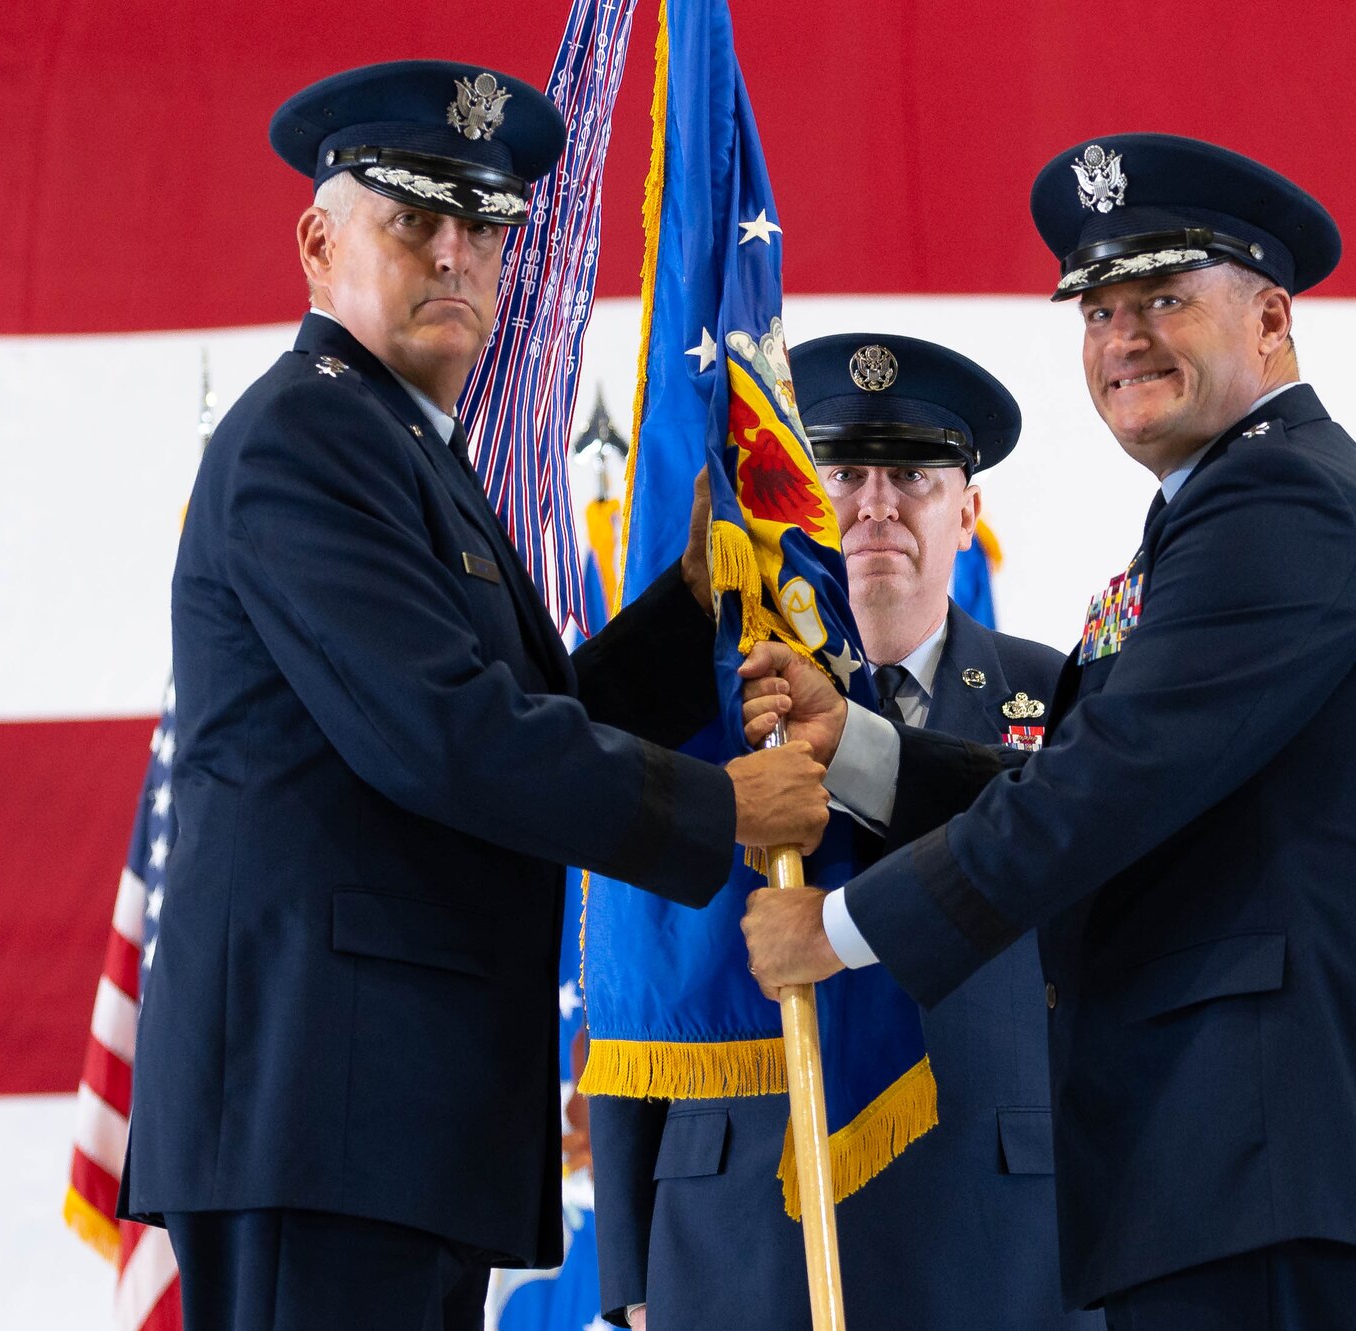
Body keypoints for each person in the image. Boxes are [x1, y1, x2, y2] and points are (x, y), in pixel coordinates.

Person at [117, 60, 828, 1331]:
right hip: (319, 1108)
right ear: (317, 242)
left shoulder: (400, 448)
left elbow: (520, 703)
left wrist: (691, 607)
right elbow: (445, 736)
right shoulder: (305, 437)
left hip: (379, 1112)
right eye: (413, 220)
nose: (454, 253)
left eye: (482, 228)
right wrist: (724, 808)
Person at [739, 134, 1356, 1329]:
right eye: (1099, 308)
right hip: (1224, 1161)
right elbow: (1086, 766)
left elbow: (1103, 790)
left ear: (1272, 319)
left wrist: (834, 929)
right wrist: (858, 751)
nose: (1121, 338)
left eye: (1165, 299)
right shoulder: (1226, 501)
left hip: (1261, 1153)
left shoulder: (1274, 504)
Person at [588, 335, 1102, 1330]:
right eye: (839, 472)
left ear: (968, 509)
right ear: (795, 505)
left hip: (1001, 1233)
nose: (874, 503)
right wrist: (627, 1265)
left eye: (911, 473)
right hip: (741, 1228)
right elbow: (631, 963)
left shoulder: (1067, 702)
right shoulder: (700, 701)